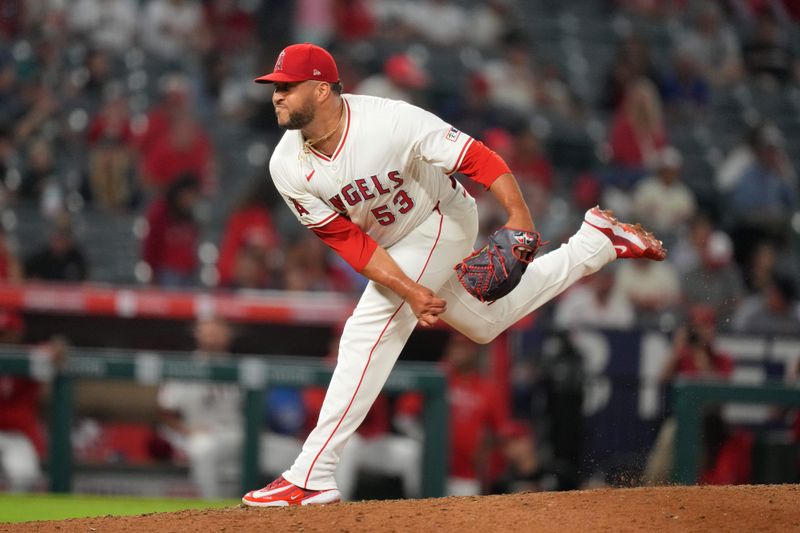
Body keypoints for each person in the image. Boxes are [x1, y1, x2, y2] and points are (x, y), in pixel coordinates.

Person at [241, 43, 665, 507]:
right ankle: (596, 244)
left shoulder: (389, 121)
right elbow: (353, 245)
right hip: (393, 246)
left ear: (321, 90)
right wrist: (410, 289)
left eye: (286, 86)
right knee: (483, 324)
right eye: (275, 87)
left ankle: (311, 474)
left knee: (368, 329)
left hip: (439, 217)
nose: (276, 95)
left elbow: (476, 158)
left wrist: (520, 216)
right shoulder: (287, 166)